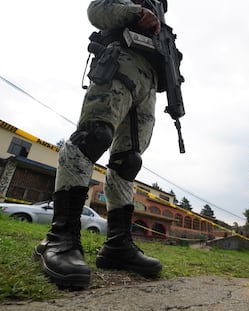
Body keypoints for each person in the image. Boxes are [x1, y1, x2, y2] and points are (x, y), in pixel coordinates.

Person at [33, 0, 167, 289]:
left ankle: (118, 246)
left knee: (128, 162)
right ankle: (60, 239)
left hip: (149, 84)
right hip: (120, 61)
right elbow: (98, 9)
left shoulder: (162, 9)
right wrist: (135, 13)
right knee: (93, 137)